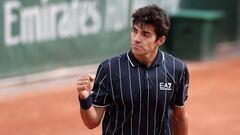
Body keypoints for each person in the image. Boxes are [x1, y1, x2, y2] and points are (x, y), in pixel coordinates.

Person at [77, 4, 189, 135]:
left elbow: (179, 117)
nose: (136, 39)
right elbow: (92, 122)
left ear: (160, 40)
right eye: (134, 31)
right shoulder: (109, 69)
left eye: (145, 34)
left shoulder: (177, 69)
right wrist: (84, 98)